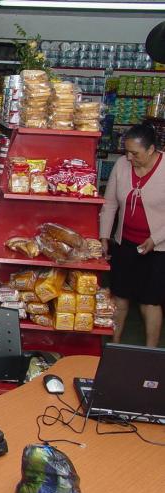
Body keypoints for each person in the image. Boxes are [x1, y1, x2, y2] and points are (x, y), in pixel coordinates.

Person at [99, 123, 165, 347]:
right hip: (125, 242)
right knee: (120, 296)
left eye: (135, 153)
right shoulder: (121, 165)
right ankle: (115, 344)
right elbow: (109, 205)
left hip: (158, 248)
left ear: (151, 150)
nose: (129, 157)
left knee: (150, 301)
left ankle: (150, 352)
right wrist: (104, 237)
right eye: (126, 151)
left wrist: (155, 239)